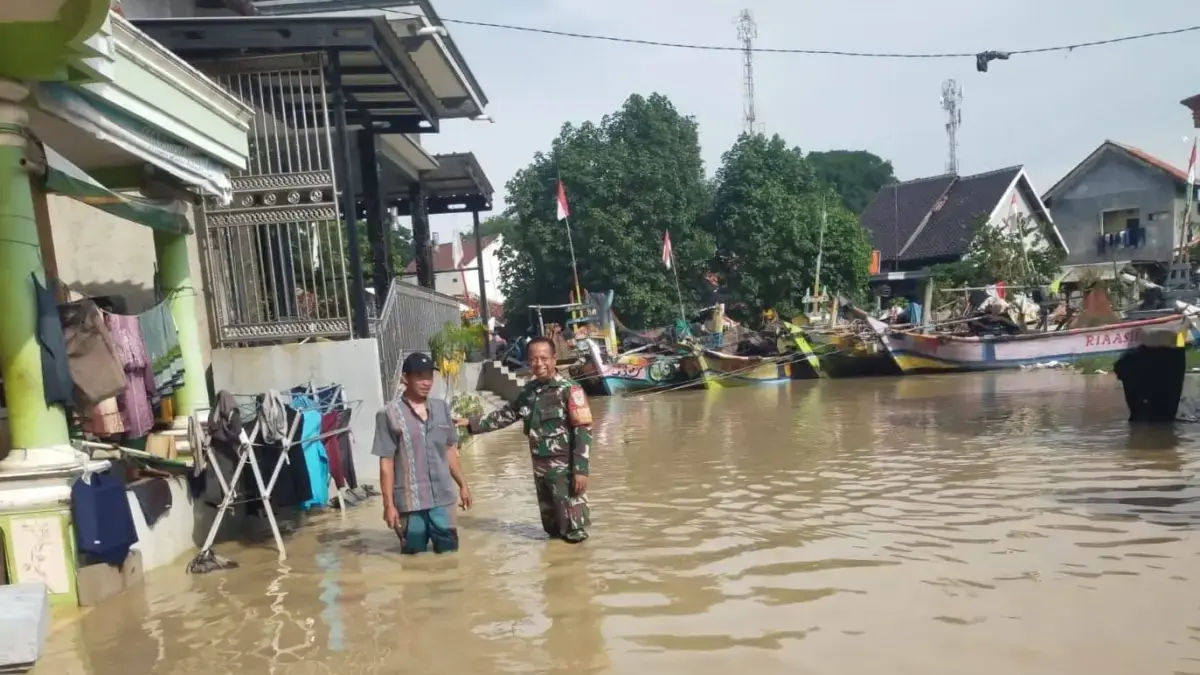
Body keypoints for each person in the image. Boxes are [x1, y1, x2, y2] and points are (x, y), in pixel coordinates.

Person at [455, 336, 592, 543]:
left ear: (554, 359)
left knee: (573, 530)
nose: (539, 364)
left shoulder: (570, 390)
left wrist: (580, 471)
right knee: (551, 529)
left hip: (565, 471)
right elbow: (507, 415)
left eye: (544, 358)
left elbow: (583, 431)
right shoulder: (529, 392)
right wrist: (471, 423)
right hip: (540, 470)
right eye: (533, 359)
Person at [373, 352, 472, 555]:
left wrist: (464, 486)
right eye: (420, 376)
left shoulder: (442, 408)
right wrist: (388, 505)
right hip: (410, 504)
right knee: (413, 560)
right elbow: (386, 463)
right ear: (405, 378)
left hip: (443, 500)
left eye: (429, 376)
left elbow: (449, 450)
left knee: (449, 557)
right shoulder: (388, 414)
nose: (427, 382)